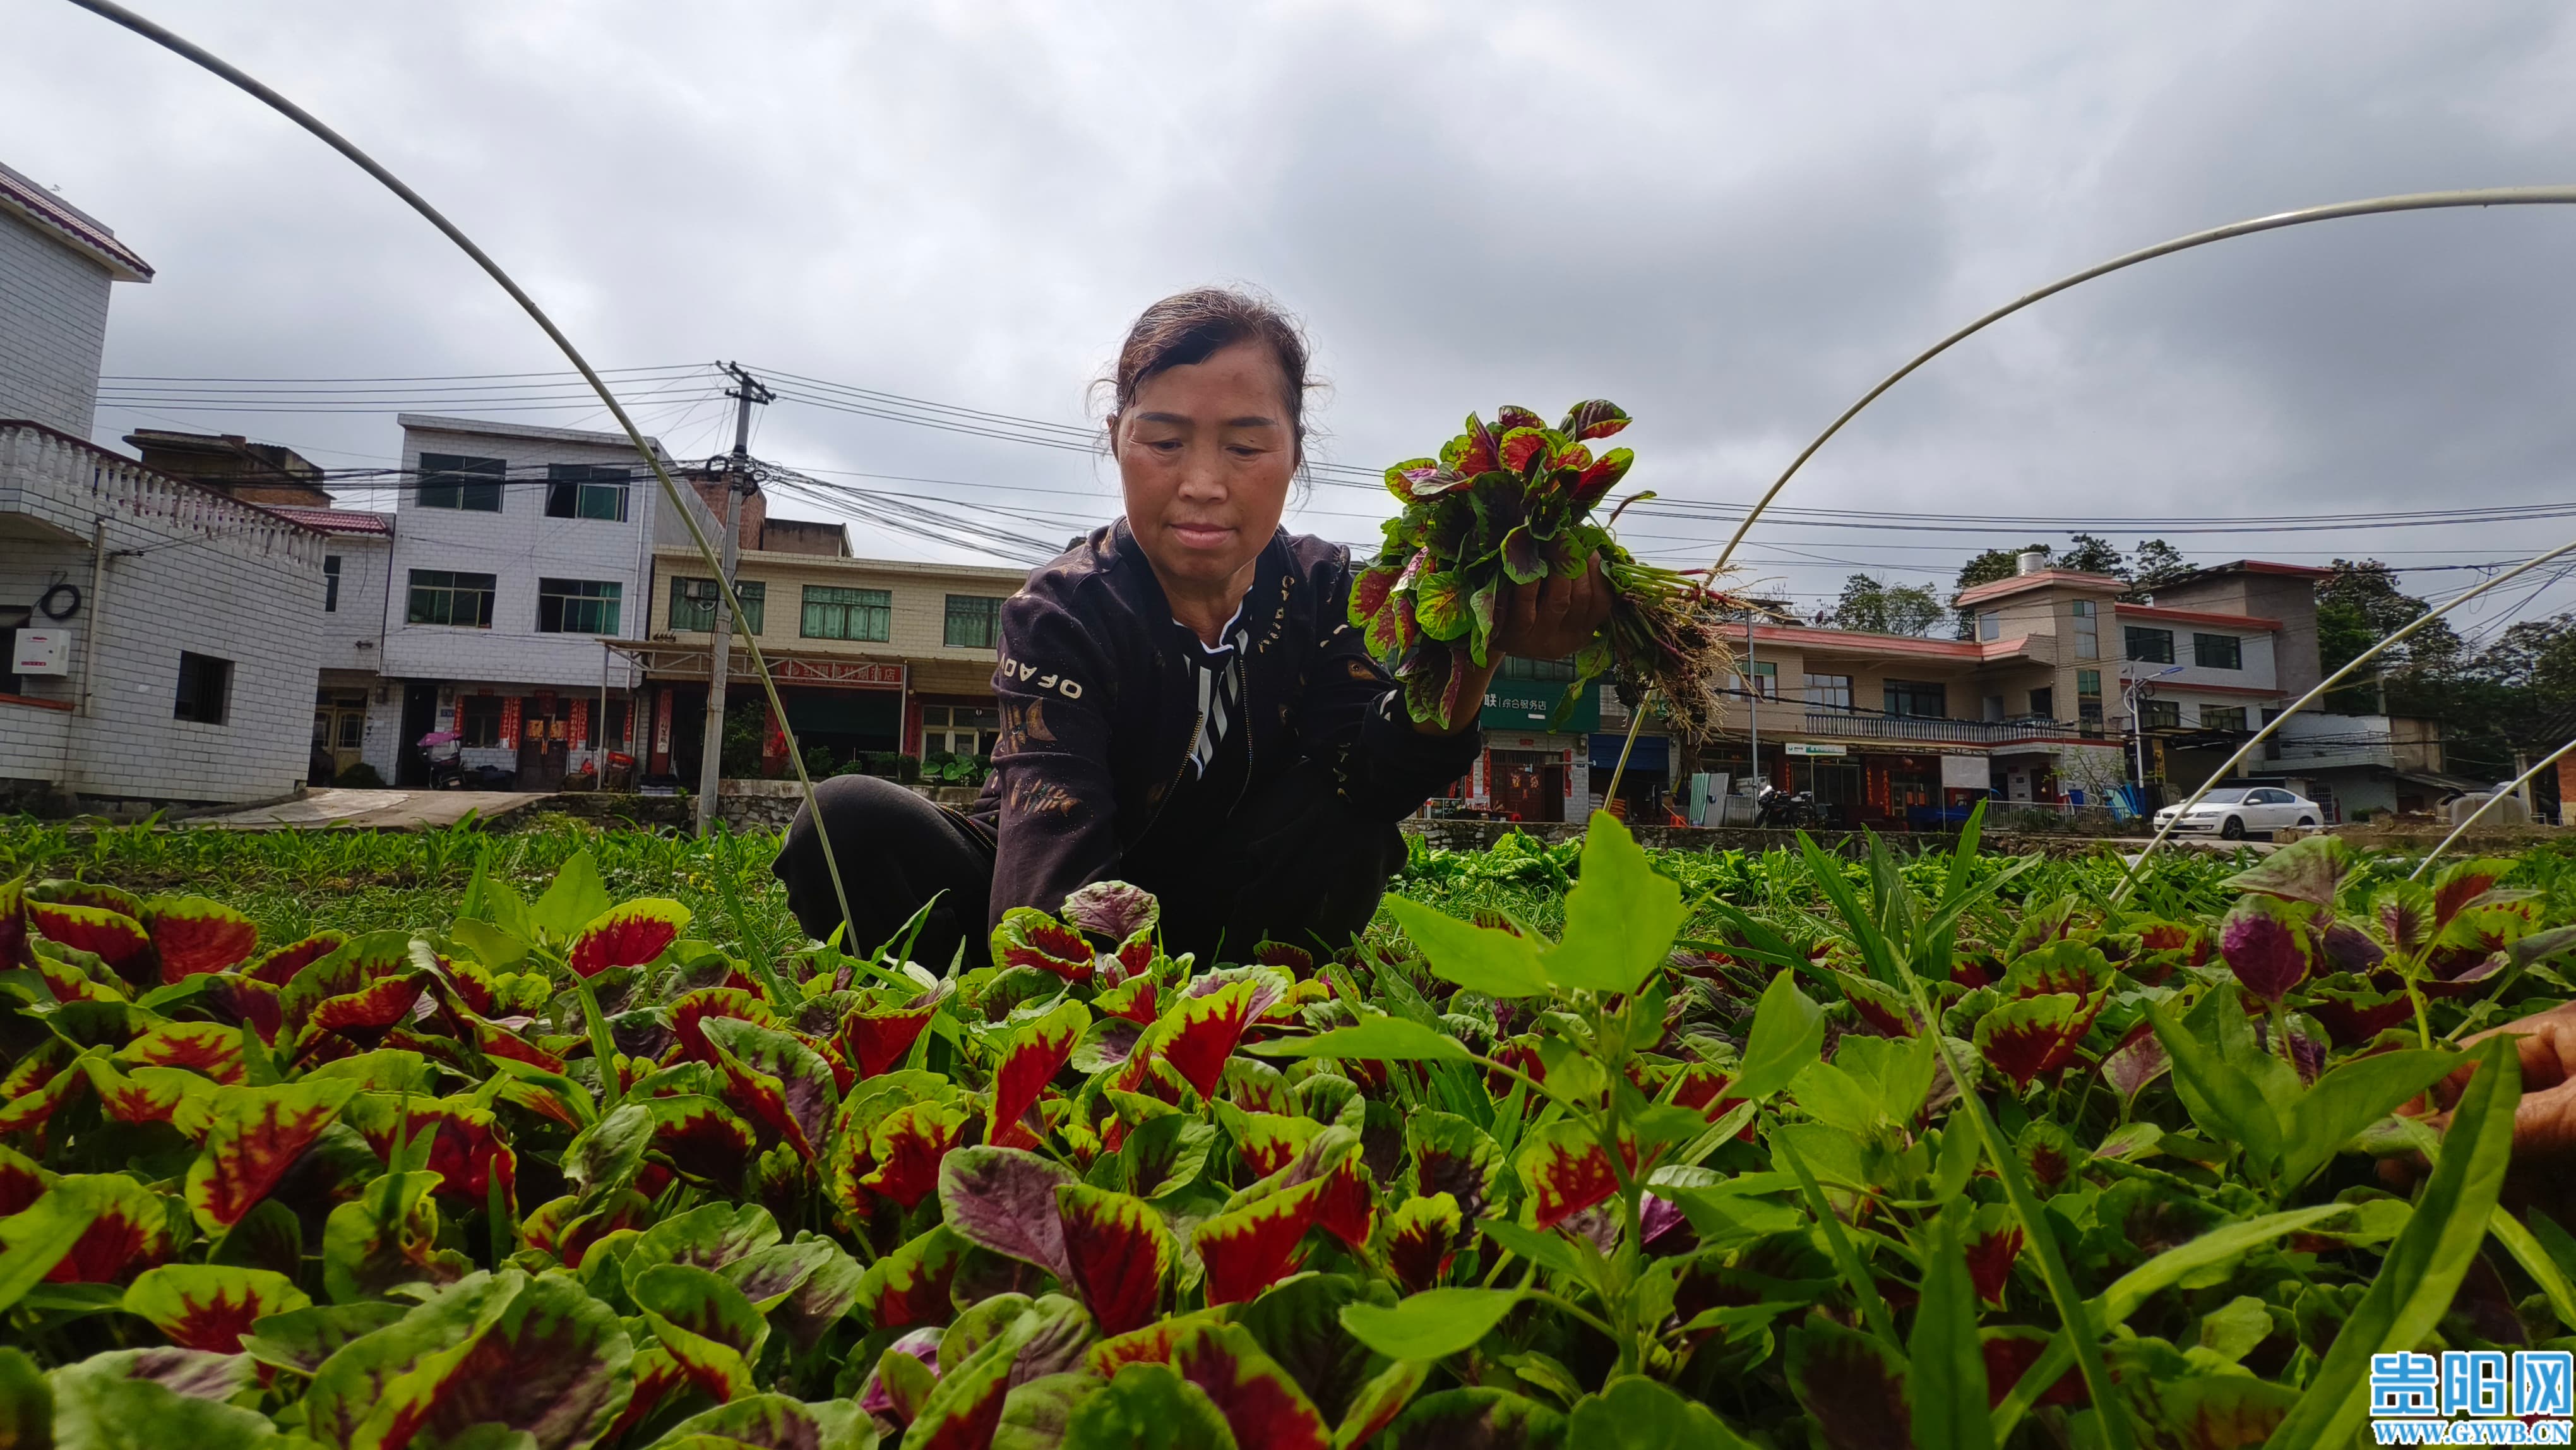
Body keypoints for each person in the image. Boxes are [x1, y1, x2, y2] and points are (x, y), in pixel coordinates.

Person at [773, 287, 1610, 969]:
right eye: (1166, 442)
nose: (1203, 483)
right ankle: (991, 1004)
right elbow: (1049, 851)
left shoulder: (1326, 589)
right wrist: (1085, 997)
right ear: (1118, 439)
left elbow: (1373, 780)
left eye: (1245, 448)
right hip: (1059, 894)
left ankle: (1253, 1006)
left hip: (1236, 911)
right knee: (845, 824)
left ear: (1295, 452)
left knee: (1347, 815)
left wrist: (1474, 647)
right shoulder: (1063, 611)